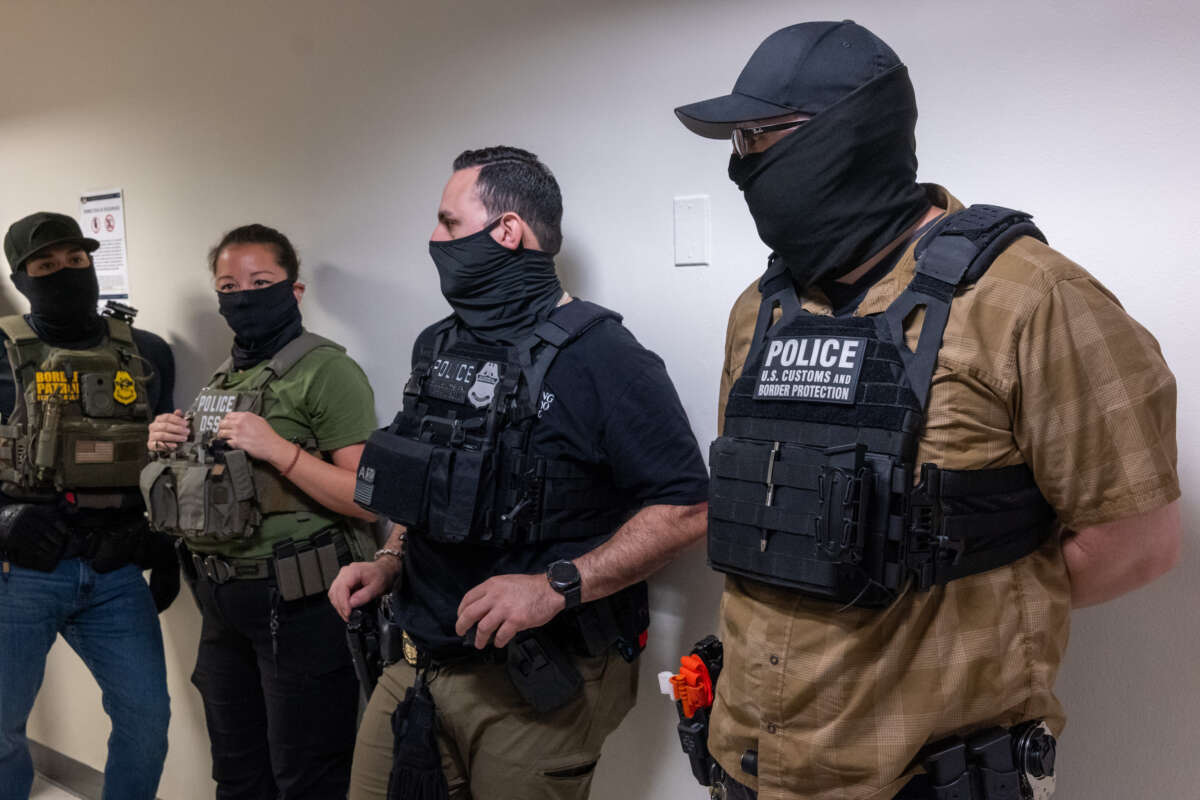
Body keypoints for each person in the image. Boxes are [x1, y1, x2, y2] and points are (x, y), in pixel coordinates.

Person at [674, 20, 1181, 800]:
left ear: (847, 136)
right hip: (749, 770)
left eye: (758, 138)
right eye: (734, 142)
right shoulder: (760, 312)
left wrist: (956, 604)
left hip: (919, 778)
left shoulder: (1029, 299)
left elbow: (1136, 541)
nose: (742, 166)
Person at [330, 145, 710, 800]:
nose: (433, 238)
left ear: (507, 232)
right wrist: (390, 558)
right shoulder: (438, 345)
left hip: (534, 684)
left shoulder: (603, 357)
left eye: (449, 223)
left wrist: (554, 586)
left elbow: (688, 506)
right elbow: (424, 480)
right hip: (418, 659)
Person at [144, 223, 378, 799]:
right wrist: (168, 442)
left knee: (308, 776)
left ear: (293, 292)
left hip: (300, 606)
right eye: (228, 285)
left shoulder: (328, 371)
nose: (242, 295)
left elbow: (369, 499)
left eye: (260, 281)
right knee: (238, 771)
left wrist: (279, 448)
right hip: (223, 603)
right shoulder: (223, 379)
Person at [0, 211, 177, 800]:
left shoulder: (145, 350)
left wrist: (166, 542)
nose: (66, 273)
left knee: (147, 723)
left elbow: (168, 457)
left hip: (114, 570)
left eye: (76, 260)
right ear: (22, 280)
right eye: (45, 265)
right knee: (1, 731)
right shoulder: (1, 352)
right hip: (20, 575)